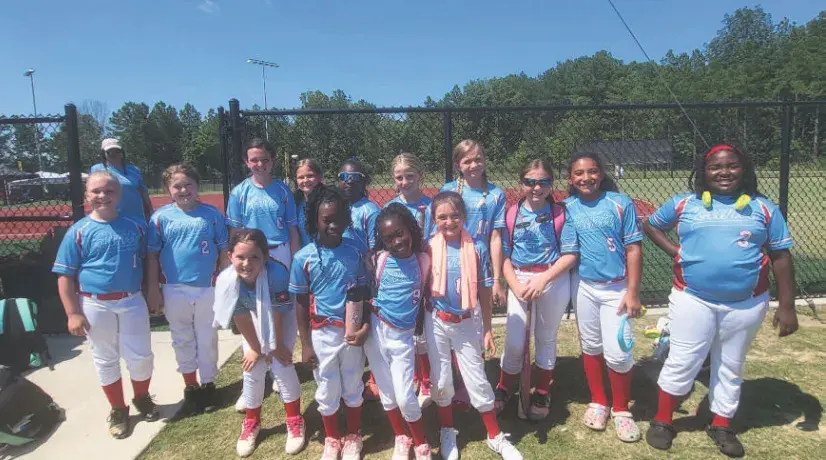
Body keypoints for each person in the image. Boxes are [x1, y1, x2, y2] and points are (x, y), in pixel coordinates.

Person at [643, 144, 799, 458]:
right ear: (704, 172)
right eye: (715, 167)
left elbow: (781, 257)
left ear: (745, 170)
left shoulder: (763, 208)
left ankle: (722, 424)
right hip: (692, 298)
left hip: (746, 303)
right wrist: (675, 251)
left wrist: (787, 306)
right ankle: (663, 420)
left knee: (730, 364)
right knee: (683, 359)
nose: (724, 172)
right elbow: (651, 224)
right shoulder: (684, 203)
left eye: (732, 166)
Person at [52, 170, 158, 439]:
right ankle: (118, 408)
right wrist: (72, 312)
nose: (103, 196)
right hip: (95, 304)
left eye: (109, 191)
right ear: (86, 195)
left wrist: (152, 289)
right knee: (105, 358)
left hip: (131, 299)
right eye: (96, 191)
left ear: (119, 195)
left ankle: (142, 397)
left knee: (141, 356)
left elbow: (149, 259)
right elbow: (65, 275)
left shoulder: (136, 226)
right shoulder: (79, 231)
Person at [426, 191, 522, 460]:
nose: (449, 222)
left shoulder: (476, 247)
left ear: (464, 216)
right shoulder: (428, 246)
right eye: (442, 217)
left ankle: (494, 435)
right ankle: (447, 430)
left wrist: (488, 328)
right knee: (441, 378)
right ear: (434, 219)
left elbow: (483, 291)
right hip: (436, 320)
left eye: (454, 215)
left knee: (477, 379)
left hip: (466, 320)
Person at [564, 151, 643, 442]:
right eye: (579, 173)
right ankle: (598, 401)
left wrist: (632, 292)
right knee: (591, 345)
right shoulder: (568, 207)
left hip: (617, 288)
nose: (586, 178)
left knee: (619, 352)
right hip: (584, 286)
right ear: (570, 178)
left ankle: (621, 409)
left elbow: (633, 249)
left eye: (592, 171)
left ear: (602, 173)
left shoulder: (620, 203)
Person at [290, 185, 370, 460]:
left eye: (339, 218)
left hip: (350, 333)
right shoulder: (303, 258)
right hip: (321, 334)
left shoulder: (354, 252)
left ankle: (354, 435)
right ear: (315, 220)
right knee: (326, 386)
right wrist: (305, 344)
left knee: (353, 383)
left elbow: (363, 294)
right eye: (327, 220)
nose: (333, 225)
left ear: (347, 219)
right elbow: (301, 303)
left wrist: (364, 327)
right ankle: (332, 438)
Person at [494, 159, 578, 421]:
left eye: (543, 182)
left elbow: (570, 255)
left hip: (552, 278)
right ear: (521, 183)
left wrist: (543, 280)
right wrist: (515, 285)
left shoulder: (560, 213)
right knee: (515, 340)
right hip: (520, 277)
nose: (536, 188)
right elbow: (505, 256)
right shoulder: (511, 213)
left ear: (551, 184)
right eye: (529, 182)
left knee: (546, 337)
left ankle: (542, 390)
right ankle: (505, 387)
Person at [212, 229, 306, 457]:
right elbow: (241, 316)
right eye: (240, 257)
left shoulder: (277, 273)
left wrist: (275, 347)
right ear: (229, 256)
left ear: (265, 256)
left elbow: (278, 314)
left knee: (281, 364)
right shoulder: (226, 280)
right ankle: (252, 421)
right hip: (253, 314)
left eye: (254, 257)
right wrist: (255, 348)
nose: (247, 263)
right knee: (252, 367)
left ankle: (295, 419)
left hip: (281, 316)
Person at [145, 164, 228, 415]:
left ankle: (208, 383)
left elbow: (223, 250)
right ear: (167, 190)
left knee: (207, 337)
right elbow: (152, 255)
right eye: (177, 186)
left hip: (206, 287)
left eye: (188, 184)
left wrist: (223, 283)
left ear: (197, 185)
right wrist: (153, 287)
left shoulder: (211, 215)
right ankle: (190, 386)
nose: (183, 190)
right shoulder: (160, 218)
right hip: (174, 287)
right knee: (182, 337)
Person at [226, 138, 300, 411]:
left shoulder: (282, 190)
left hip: (279, 252)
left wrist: (293, 261)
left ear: (273, 161)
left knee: (283, 310)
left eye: (264, 159)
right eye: (254, 160)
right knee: (253, 311)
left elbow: (292, 229)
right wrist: (237, 261)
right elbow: (235, 232)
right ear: (246, 162)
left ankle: (281, 369)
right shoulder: (239, 192)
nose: (259, 164)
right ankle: (254, 375)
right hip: (251, 256)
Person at [440, 140, 507, 410]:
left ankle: (474, 379)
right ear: (458, 164)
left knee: (476, 320)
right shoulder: (448, 190)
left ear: (485, 160)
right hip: (452, 263)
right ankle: (458, 381)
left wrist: (497, 279)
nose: (473, 165)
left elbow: (495, 237)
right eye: (467, 161)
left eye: (478, 159)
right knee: (453, 321)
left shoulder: (495, 194)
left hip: (479, 264)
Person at [364, 204, 434, 460]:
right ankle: (401, 436)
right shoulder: (379, 260)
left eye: (400, 233)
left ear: (410, 229)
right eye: (388, 238)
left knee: (405, 396)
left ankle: (421, 443)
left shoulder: (423, 260)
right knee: (386, 391)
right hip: (375, 332)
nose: (396, 241)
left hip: (402, 336)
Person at [384, 152, 435, 408]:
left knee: (422, 329)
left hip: (424, 271)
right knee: (406, 328)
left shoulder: (431, 206)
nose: (404, 182)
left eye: (410, 176)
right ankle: (413, 375)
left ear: (420, 176)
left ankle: (427, 379)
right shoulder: (390, 208)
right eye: (399, 177)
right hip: (401, 276)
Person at [336, 157, 382, 401]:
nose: (348, 182)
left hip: (362, 278)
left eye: (354, 177)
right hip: (340, 277)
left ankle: (375, 377)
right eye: (343, 177)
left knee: (368, 329)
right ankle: (347, 375)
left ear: (363, 181)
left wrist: (372, 279)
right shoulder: (335, 207)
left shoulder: (370, 210)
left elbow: (374, 250)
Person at [91, 138, 153, 221]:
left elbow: (143, 192)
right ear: (103, 153)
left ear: (122, 152)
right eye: (109, 152)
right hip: (110, 217)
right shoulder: (97, 169)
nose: (113, 154)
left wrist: (150, 210)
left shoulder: (134, 170)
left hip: (136, 215)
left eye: (117, 151)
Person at [294, 158, 324, 248]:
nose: (305, 180)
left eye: (310, 176)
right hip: (304, 254)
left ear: (319, 177)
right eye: (301, 177)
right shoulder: (295, 203)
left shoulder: (329, 203)